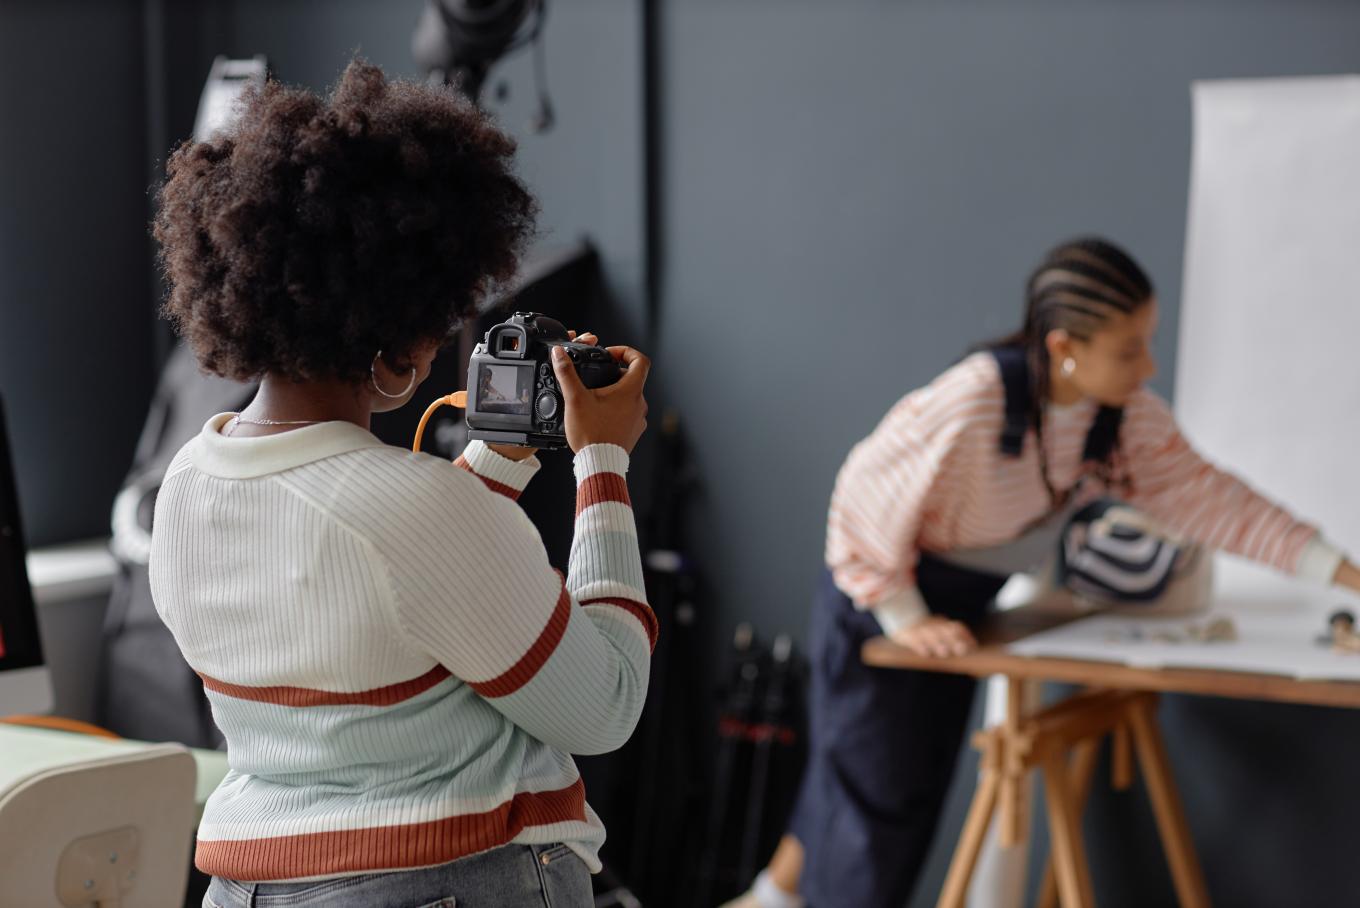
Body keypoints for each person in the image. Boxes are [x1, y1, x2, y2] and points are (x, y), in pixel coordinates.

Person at [149, 60, 653, 908]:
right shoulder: (417, 509)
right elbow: (606, 704)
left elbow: (389, 591)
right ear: (395, 352)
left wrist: (504, 457)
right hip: (442, 883)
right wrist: (605, 461)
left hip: (250, 887)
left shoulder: (186, 486)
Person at [728, 237, 1360, 908]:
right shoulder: (975, 400)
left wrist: (1346, 574)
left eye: (1148, 342)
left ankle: (770, 896)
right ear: (1065, 348)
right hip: (881, 606)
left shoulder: (1122, 421)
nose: (1147, 365)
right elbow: (861, 498)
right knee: (875, 806)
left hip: (961, 613)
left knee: (888, 786)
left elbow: (1221, 505)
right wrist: (906, 617)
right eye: (1128, 349)